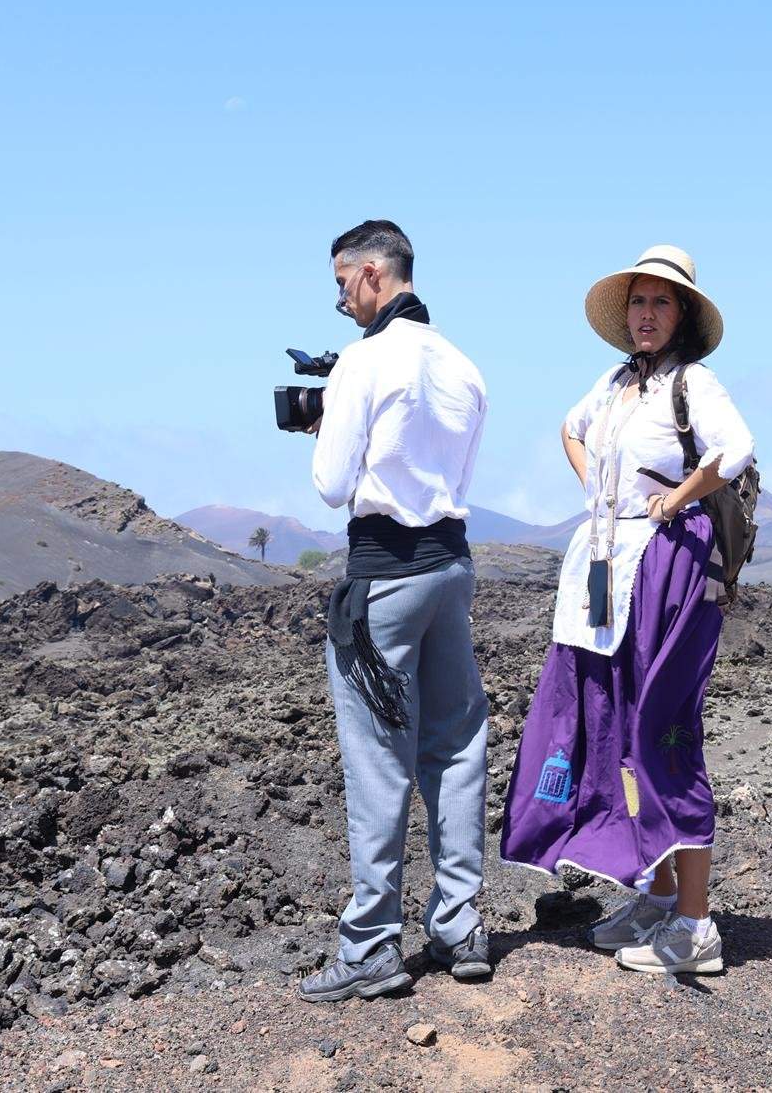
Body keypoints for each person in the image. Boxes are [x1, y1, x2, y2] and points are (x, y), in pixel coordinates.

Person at [499, 244, 754, 977]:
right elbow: (569, 429)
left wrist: (675, 498)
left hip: (665, 565)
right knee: (612, 726)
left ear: (682, 317)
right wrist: (596, 493)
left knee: (662, 733)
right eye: (637, 302)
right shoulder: (613, 385)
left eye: (659, 303)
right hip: (607, 566)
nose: (646, 314)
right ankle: (657, 895)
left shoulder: (692, 385)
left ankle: (696, 927)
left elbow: (735, 449)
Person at [299, 219, 493, 1002]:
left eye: (343, 280)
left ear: (374, 272)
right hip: (451, 567)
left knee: (379, 762)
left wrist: (322, 423)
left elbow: (331, 482)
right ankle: (459, 923)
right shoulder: (462, 363)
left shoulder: (365, 359)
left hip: (382, 575)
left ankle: (371, 944)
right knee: (453, 745)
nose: (340, 296)